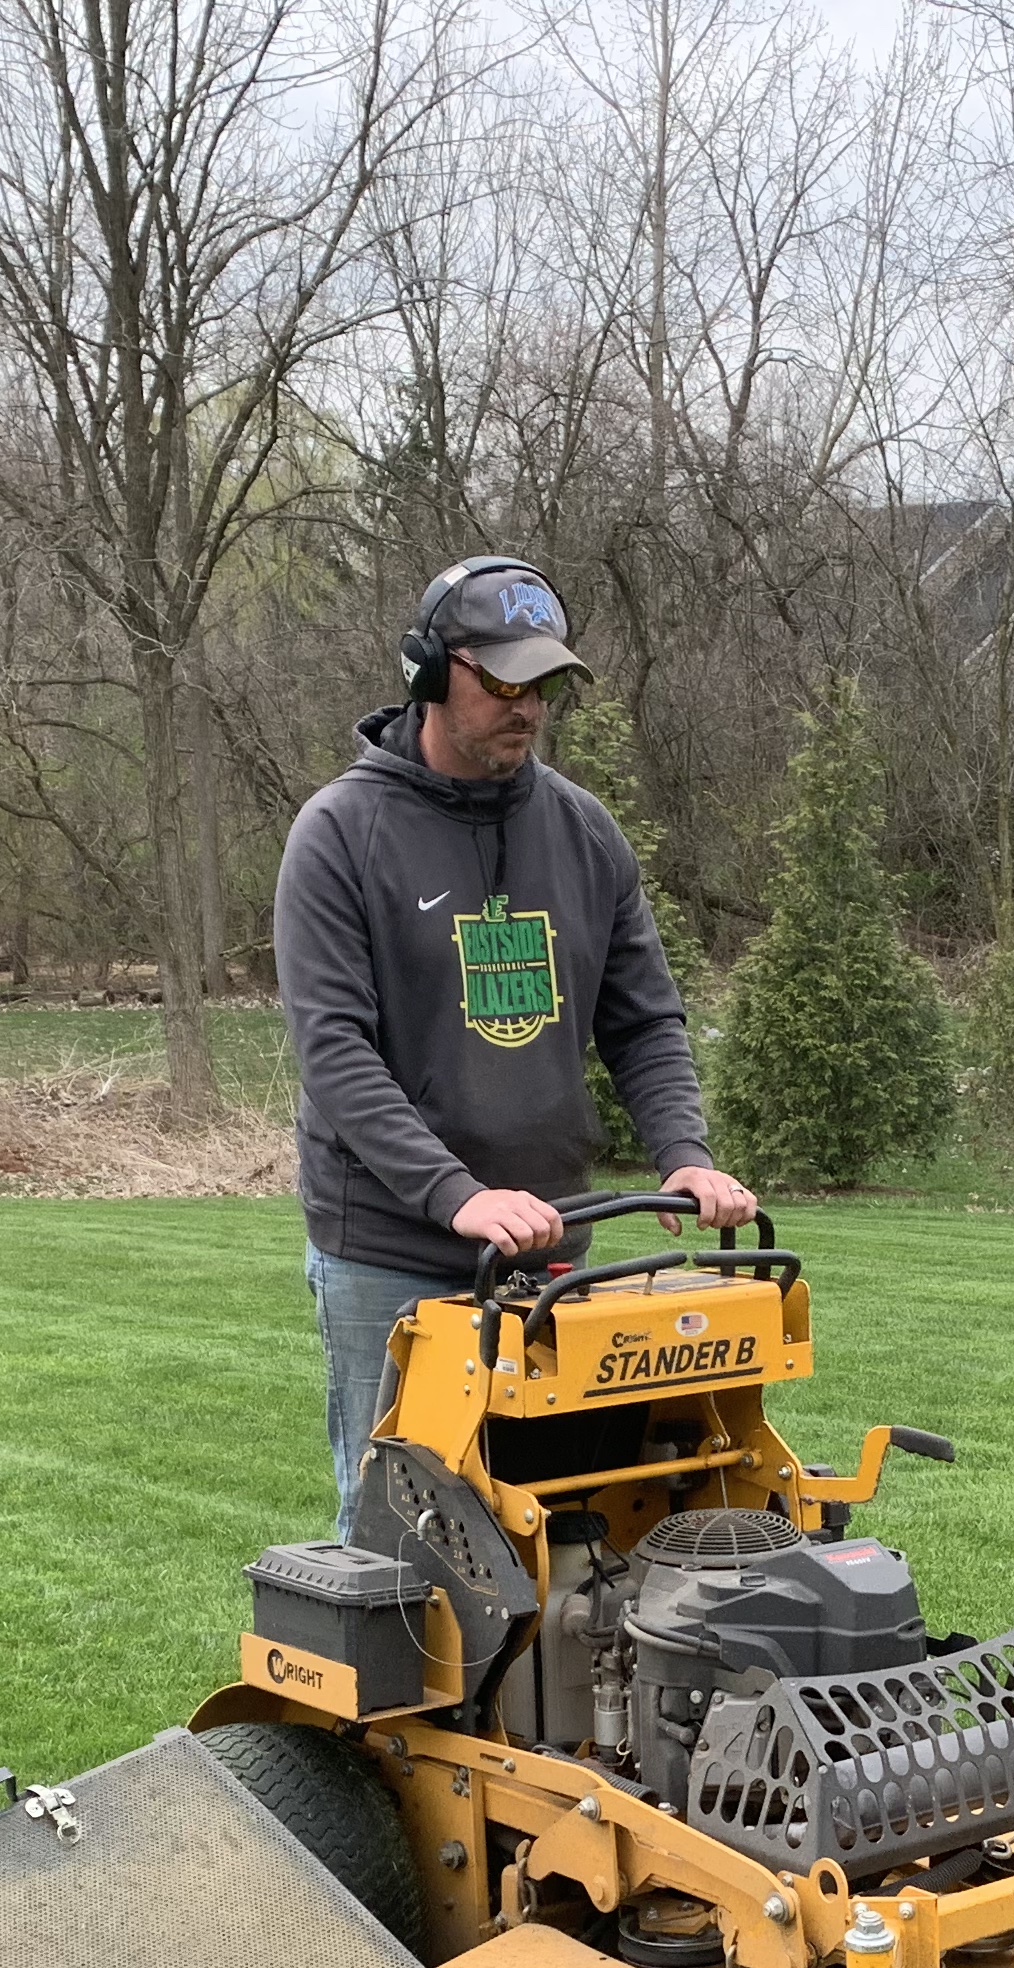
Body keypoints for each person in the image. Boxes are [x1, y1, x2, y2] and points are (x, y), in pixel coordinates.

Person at [273, 554, 758, 1530]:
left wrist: (684, 1153)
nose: (527, 708)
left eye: (542, 686)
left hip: (550, 1249)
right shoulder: (340, 836)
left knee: (573, 1522)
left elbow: (643, 1019)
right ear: (429, 672)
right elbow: (336, 1056)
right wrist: (458, 1195)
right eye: (503, 682)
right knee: (406, 1537)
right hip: (394, 1251)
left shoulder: (583, 832)